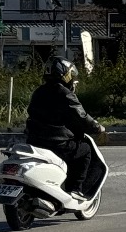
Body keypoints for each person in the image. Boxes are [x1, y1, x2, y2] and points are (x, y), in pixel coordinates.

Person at [25, 56, 105, 195]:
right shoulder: (65, 93)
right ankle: (75, 189)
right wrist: (97, 127)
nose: (73, 80)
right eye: (71, 76)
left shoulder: (39, 91)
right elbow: (81, 117)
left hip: (35, 141)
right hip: (57, 143)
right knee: (85, 150)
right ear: (65, 75)